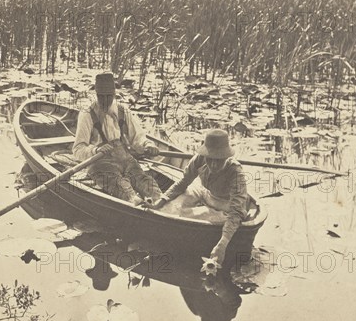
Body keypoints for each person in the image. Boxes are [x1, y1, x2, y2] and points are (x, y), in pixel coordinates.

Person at [147, 129, 253, 267]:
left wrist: (222, 244)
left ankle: (207, 217)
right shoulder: (200, 158)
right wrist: (159, 202)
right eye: (210, 159)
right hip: (204, 192)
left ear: (226, 157)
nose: (213, 165)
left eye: (219, 160)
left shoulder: (235, 172)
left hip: (225, 203)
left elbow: (236, 210)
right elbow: (183, 183)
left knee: (204, 216)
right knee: (170, 207)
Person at [72, 72, 162, 205]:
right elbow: (78, 150)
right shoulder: (87, 114)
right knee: (122, 188)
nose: (105, 100)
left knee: (146, 183)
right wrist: (96, 150)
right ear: (95, 94)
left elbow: (138, 138)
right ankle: (137, 204)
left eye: (109, 96)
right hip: (101, 164)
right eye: (100, 96)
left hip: (126, 159)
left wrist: (148, 145)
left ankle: (161, 202)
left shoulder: (123, 111)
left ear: (114, 94)